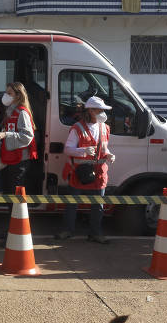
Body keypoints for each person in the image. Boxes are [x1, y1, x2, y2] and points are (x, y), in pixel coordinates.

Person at [57, 96, 116, 244]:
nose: (102, 112)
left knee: (98, 205)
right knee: (72, 203)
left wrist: (109, 154)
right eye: (99, 110)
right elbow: (67, 150)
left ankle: (95, 233)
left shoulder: (105, 127)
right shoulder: (77, 128)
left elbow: (104, 148)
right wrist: (83, 150)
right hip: (79, 172)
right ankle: (67, 231)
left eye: (103, 110)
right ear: (90, 111)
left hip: (99, 173)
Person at [0, 82, 37, 194]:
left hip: (20, 160)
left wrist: (5, 134)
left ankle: (17, 212)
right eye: (5, 92)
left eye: (9, 93)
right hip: (12, 157)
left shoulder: (22, 113)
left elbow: (27, 136)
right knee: (10, 193)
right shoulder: (10, 111)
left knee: (16, 194)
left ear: (18, 95)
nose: (6, 95)